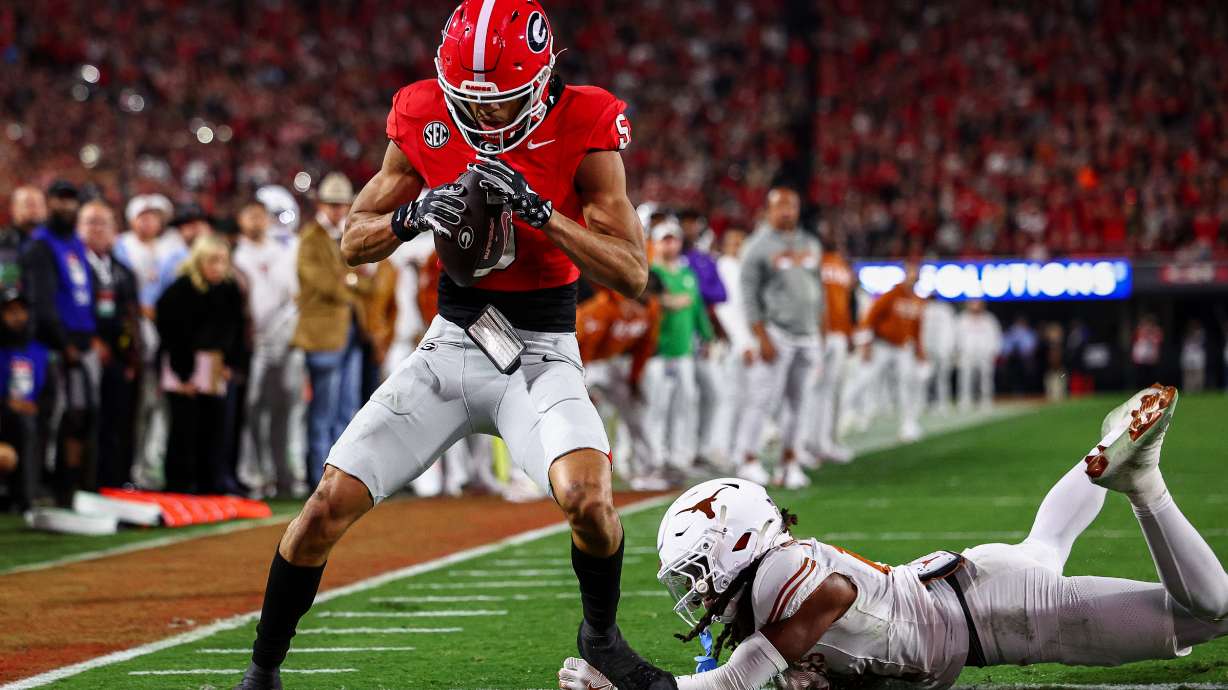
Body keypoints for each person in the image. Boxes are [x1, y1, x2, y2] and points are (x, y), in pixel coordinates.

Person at [236, 2, 672, 689]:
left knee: (589, 501)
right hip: (450, 345)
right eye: (471, 102)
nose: (486, 118)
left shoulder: (584, 118)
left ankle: (601, 636)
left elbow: (633, 272)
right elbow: (353, 237)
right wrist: (410, 217)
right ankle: (261, 671)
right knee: (324, 505)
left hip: (539, 349)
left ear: (543, 78)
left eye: (501, 102)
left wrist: (544, 214)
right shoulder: (421, 112)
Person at [562, 385, 1228, 690]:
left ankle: (1141, 484)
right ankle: (1102, 453)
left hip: (1000, 617)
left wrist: (641, 684)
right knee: (1044, 548)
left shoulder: (781, 578)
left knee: (1212, 615)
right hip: (979, 590)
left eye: (696, 570)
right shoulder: (778, 573)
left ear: (738, 547)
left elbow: (741, 678)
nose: (694, 590)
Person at [732, 188, 823, 490]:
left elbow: (816, 292)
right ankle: (748, 459)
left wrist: (820, 332)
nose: (786, 211)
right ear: (768, 210)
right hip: (776, 332)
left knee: (799, 403)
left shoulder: (810, 243)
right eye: (780, 206)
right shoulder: (757, 245)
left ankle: (790, 462)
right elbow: (748, 296)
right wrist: (761, 336)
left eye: (791, 205)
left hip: (807, 334)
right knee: (761, 400)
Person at [20, 180, 100, 505]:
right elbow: (41, 301)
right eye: (60, 200)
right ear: (50, 202)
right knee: (54, 419)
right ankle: (42, 487)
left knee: (80, 417)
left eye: (72, 200)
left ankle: (70, 485)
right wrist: (62, 342)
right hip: (52, 347)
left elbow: (84, 296)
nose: (66, 206)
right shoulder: (40, 246)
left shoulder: (75, 244)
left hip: (81, 345)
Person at [155, 235, 244, 494]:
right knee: (184, 427)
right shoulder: (180, 289)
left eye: (223, 261)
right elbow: (171, 333)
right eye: (212, 261)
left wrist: (230, 363)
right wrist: (184, 374)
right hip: (183, 363)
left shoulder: (230, 289)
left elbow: (237, 330)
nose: (218, 267)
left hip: (215, 366)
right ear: (199, 261)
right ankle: (180, 485)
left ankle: (210, 485)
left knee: (214, 427)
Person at [292, 186, 363, 490]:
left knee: (347, 408)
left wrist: (348, 283)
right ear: (322, 204)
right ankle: (318, 477)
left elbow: (375, 278)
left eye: (341, 204)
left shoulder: (349, 233)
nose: (337, 210)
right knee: (323, 409)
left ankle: (340, 476)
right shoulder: (310, 237)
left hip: (353, 330)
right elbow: (317, 280)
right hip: (323, 333)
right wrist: (352, 283)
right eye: (332, 204)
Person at [232, 201, 302, 499]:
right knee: (252, 410)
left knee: (286, 407)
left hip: (284, 336)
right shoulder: (235, 253)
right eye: (250, 215)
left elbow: (294, 294)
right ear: (240, 218)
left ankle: (284, 474)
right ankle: (253, 475)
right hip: (252, 341)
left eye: (261, 215)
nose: (257, 221)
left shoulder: (282, 250)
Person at [114, 192, 180, 490]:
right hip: (133, 335)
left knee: (158, 406)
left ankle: (151, 466)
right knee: (135, 407)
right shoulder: (121, 247)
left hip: (164, 335)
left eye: (154, 215)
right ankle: (132, 467)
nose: (149, 221)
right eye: (143, 215)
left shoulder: (172, 249)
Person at [643, 220, 714, 483]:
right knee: (656, 407)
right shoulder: (650, 273)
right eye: (665, 239)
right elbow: (644, 301)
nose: (670, 244)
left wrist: (706, 336)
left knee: (685, 405)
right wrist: (664, 300)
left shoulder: (687, 274)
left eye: (674, 239)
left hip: (683, 351)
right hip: (658, 353)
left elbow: (697, 309)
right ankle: (654, 458)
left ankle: (677, 456)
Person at [79, 200, 142, 488]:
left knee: (120, 419)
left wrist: (132, 357)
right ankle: (86, 480)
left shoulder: (122, 270)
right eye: (91, 221)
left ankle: (116, 479)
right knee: (86, 419)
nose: (97, 228)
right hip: (83, 351)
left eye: (103, 222)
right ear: (79, 227)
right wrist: (90, 339)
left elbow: (131, 315)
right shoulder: (73, 264)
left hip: (117, 355)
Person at [577, 277, 662, 488]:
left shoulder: (650, 308)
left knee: (635, 413)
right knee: (580, 417)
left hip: (613, 363)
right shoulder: (605, 305)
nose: (648, 298)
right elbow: (584, 345)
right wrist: (580, 383)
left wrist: (634, 379)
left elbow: (645, 346)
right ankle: (578, 474)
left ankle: (648, 470)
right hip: (583, 363)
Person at [850, 262, 925, 442]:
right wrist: (866, 344)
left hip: (902, 348)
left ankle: (908, 424)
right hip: (882, 345)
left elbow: (916, 330)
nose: (912, 278)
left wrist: (920, 352)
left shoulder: (917, 300)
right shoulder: (891, 294)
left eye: (915, 275)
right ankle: (846, 413)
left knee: (907, 384)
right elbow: (870, 318)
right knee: (865, 379)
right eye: (910, 273)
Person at [678, 209, 727, 469]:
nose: (690, 229)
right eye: (685, 224)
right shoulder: (672, 258)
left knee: (712, 393)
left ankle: (701, 449)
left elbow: (719, 293)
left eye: (693, 223)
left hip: (699, 332)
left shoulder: (701, 259)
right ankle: (681, 452)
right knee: (679, 399)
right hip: (674, 337)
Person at [0, 290, 49, 511]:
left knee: (30, 423)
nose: (17, 316)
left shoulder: (39, 351)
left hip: (29, 416)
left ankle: (27, 496)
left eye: (21, 311)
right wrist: (7, 404)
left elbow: (51, 393)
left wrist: (37, 406)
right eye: (10, 311)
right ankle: (23, 497)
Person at [810, 223, 854, 464]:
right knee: (812, 390)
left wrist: (848, 334)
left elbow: (846, 304)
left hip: (837, 334)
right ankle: (807, 444)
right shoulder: (814, 261)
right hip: (817, 334)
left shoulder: (842, 265)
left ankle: (824, 442)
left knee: (831, 391)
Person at [956, 299, 1002, 411]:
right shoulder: (962, 319)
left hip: (985, 354)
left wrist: (995, 351)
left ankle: (986, 400)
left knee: (986, 378)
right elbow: (956, 336)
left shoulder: (989, 319)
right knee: (965, 378)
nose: (975, 306)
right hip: (966, 353)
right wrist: (957, 351)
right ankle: (965, 400)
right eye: (972, 304)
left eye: (977, 304)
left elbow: (996, 336)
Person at [1, 186, 46, 289]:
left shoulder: (55, 239)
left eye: (39, 204)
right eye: (29, 204)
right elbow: (8, 282)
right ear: (14, 208)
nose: (35, 209)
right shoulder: (6, 241)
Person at [922, 297, 957, 413]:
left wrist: (949, 348)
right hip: (927, 349)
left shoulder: (946, 309)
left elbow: (951, 330)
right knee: (926, 377)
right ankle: (925, 402)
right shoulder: (922, 308)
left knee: (942, 378)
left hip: (942, 349)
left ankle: (942, 403)